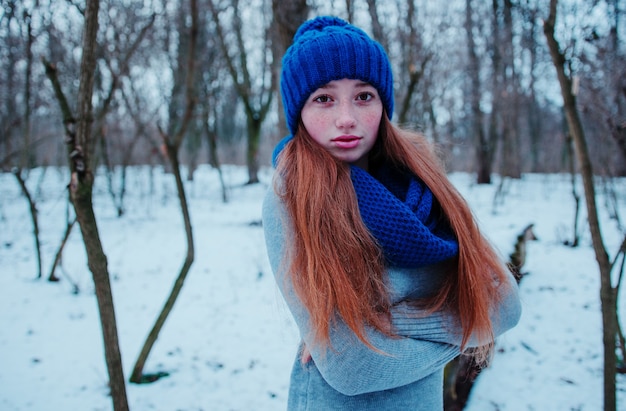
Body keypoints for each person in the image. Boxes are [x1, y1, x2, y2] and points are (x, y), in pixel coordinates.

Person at [262, 16, 521, 410]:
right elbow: (352, 369)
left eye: (363, 96)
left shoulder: (424, 179)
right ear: (299, 111)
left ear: (383, 104)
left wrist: (383, 325)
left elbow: (504, 305)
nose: (346, 117)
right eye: (324, 98)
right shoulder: (291, 195)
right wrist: (460, 320)